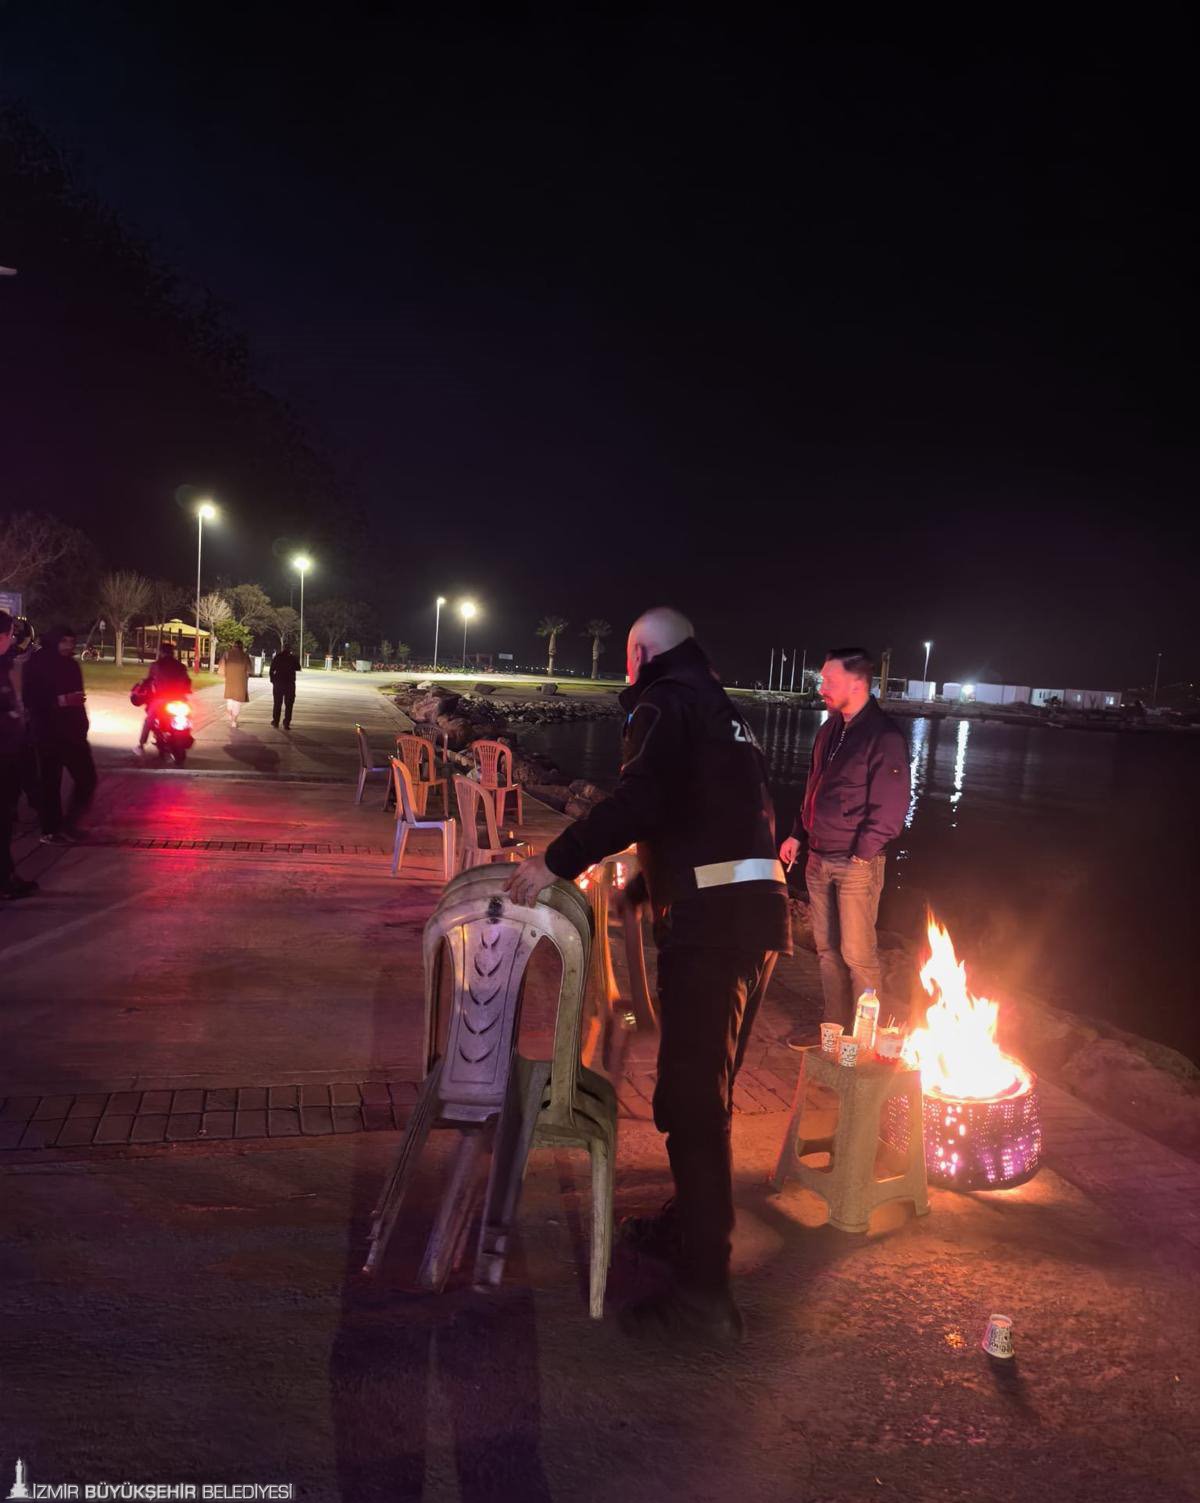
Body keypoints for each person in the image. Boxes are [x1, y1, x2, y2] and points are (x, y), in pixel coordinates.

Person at [506, 607, 790, 1343]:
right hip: (760, 918)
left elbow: (642, 799)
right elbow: (722, 811)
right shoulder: (727, 712)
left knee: (689, 1102)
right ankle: (691, 1225)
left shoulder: (665, 699)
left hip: (714, 926)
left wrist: (553, 860)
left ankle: (705, 1295)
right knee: (711, 1090)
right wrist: (646, 885)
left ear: (638, 655)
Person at [779, 647, 910, 1034]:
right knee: (826, 952)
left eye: (829, 681)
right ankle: (833, 1029)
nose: (822, 687)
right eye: (823, 680)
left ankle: (863, 1039)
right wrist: (796, 833)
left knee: (858, 956)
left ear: (858, 683)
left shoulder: (883, 737)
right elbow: (813, 788)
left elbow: (890, 809)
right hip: (818, 858)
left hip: (856, 864)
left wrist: (862, 856)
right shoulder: (830, 730)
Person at [22, 625, 98, 846]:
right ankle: (51, 830)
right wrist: (61, 701)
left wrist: (82, 723)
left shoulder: (72, 665)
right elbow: (31, 698)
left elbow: (78, 698)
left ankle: (70, 824)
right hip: (47, 732)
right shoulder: (36, 664)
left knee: (87, 778)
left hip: (73, 733)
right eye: (64, 641)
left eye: (71, 642)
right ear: (54, 640)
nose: (68, 646)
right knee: (50, 783)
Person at [0, 610, 38, 900]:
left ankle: (6, 874)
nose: (11, 640)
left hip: (10, 756)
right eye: (9, 635)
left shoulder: (6, 663)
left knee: (6, 821)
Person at [136, 643, 193, 753]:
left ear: (161, 652)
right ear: (173, 652)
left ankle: (141, 745)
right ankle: (186, 735)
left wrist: (142, 686)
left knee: (149, 719)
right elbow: (187, 682)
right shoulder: (180, 666)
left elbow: (149, 680)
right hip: (179, 700)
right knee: (188, 716)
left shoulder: (156, 665)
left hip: (160, 699)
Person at [218, 641, 251, 729]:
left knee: (230, 701)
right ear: (242, 646)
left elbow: (221, 667)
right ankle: (234, 721)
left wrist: (225, 674)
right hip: (241, 683)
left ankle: (230, 715)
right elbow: (249, 671)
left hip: (230, 681)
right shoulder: (245, 656)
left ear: (233, 646)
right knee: (237, 703)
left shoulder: (227, 654)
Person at [269, 643, 300, 729]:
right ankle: (286, 722)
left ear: (283, 648)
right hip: (289, 684)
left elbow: (271, 670)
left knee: (277, 703)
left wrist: (273, 680)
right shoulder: (292, 658)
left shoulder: (278, 657)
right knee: (289, 704)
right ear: (290, 649)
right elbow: (298, 667)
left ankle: (276, 721)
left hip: (278, 683)